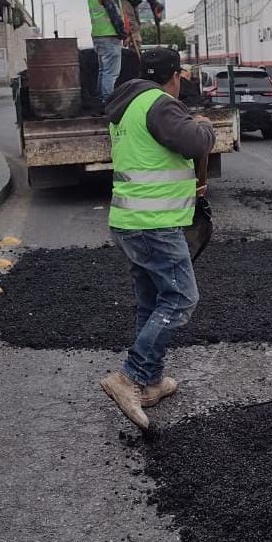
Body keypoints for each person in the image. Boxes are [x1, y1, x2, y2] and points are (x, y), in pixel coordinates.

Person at [100, 47, 215, 430]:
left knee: (151, 299)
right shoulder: (160, 104)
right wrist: (204, 125)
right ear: (174, 76)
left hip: (131, 220)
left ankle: (150, 380)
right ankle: (131, 375)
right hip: (153, 223)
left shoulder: (127, 103)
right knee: (182, 297)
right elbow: (197, 143)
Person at [88, 0, 127, 104]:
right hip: (110, 36)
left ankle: (100, 99)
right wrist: (122, 33)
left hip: (98, 36)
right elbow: (113, 13)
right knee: (111, 72)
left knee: (103, 70)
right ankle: (108, 101)